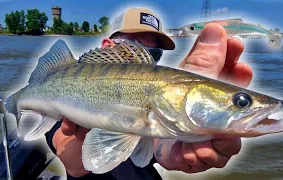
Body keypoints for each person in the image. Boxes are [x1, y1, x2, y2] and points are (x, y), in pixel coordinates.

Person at [45, 7, 253, 180]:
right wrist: (80, 139)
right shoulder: (62, 90)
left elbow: (157, 145)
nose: (144, 58)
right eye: (134, 48)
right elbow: (74, 165)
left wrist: (174, 145)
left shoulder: (159, 101)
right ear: (107, 46)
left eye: (153, 53)